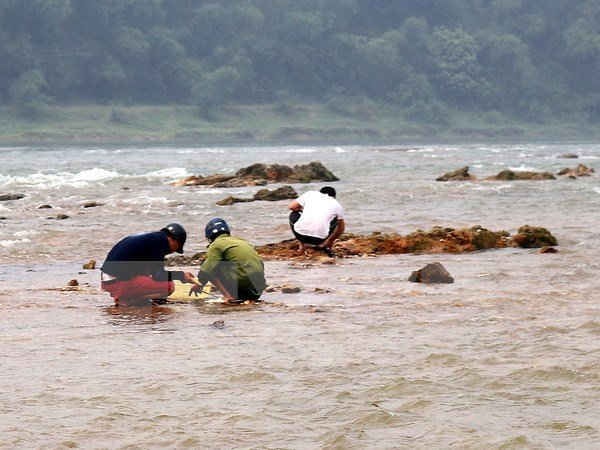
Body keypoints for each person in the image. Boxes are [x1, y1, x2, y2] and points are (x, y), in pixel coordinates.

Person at [101, 223, 197, 305]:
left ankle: (130, 297)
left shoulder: (151, 239)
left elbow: (150, 272)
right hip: (117, 283)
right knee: (169, 286)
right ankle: (129, 299)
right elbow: (159, 276)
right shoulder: (160, 243)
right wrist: (181, 276)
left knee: (148, 274)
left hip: (108, 280)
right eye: (176, 248)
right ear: (174, 240)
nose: (173, 251)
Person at [189, 218, 266, 303]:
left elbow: (206, 269)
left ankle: (228, 297)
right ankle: (242, 297)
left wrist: (199, 284)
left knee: (209, 264)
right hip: (257, 290)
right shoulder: (242, 241)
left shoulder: (216, 244)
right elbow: (260, 263)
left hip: (242, 285)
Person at [288, 186, 345, 255]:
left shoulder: (311, 194)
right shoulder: (337, 205)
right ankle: (324, 245)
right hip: (319, 239)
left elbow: (291, 207)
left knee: (294, 213)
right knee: (337, 219)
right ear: (334, 196)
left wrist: (303, 210)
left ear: (320, 192)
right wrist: (330, 241)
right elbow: (341, 228)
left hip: (300, 235)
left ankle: (302, 245)